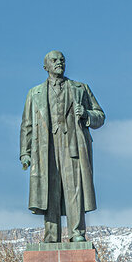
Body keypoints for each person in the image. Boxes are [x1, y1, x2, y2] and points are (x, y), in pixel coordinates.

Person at [20, 50, 105, 243]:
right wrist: (25, 152)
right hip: (45, 147)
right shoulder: (34, 93)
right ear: (45, 66)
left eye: (62, 60)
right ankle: (51, 236)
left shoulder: (80, 88)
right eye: (54, 60)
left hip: (73, 146)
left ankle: (77, 233)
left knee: (74, 189)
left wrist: (86, 114)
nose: (59, 62)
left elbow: (100, 116)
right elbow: (26, 125)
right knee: (49, 189)